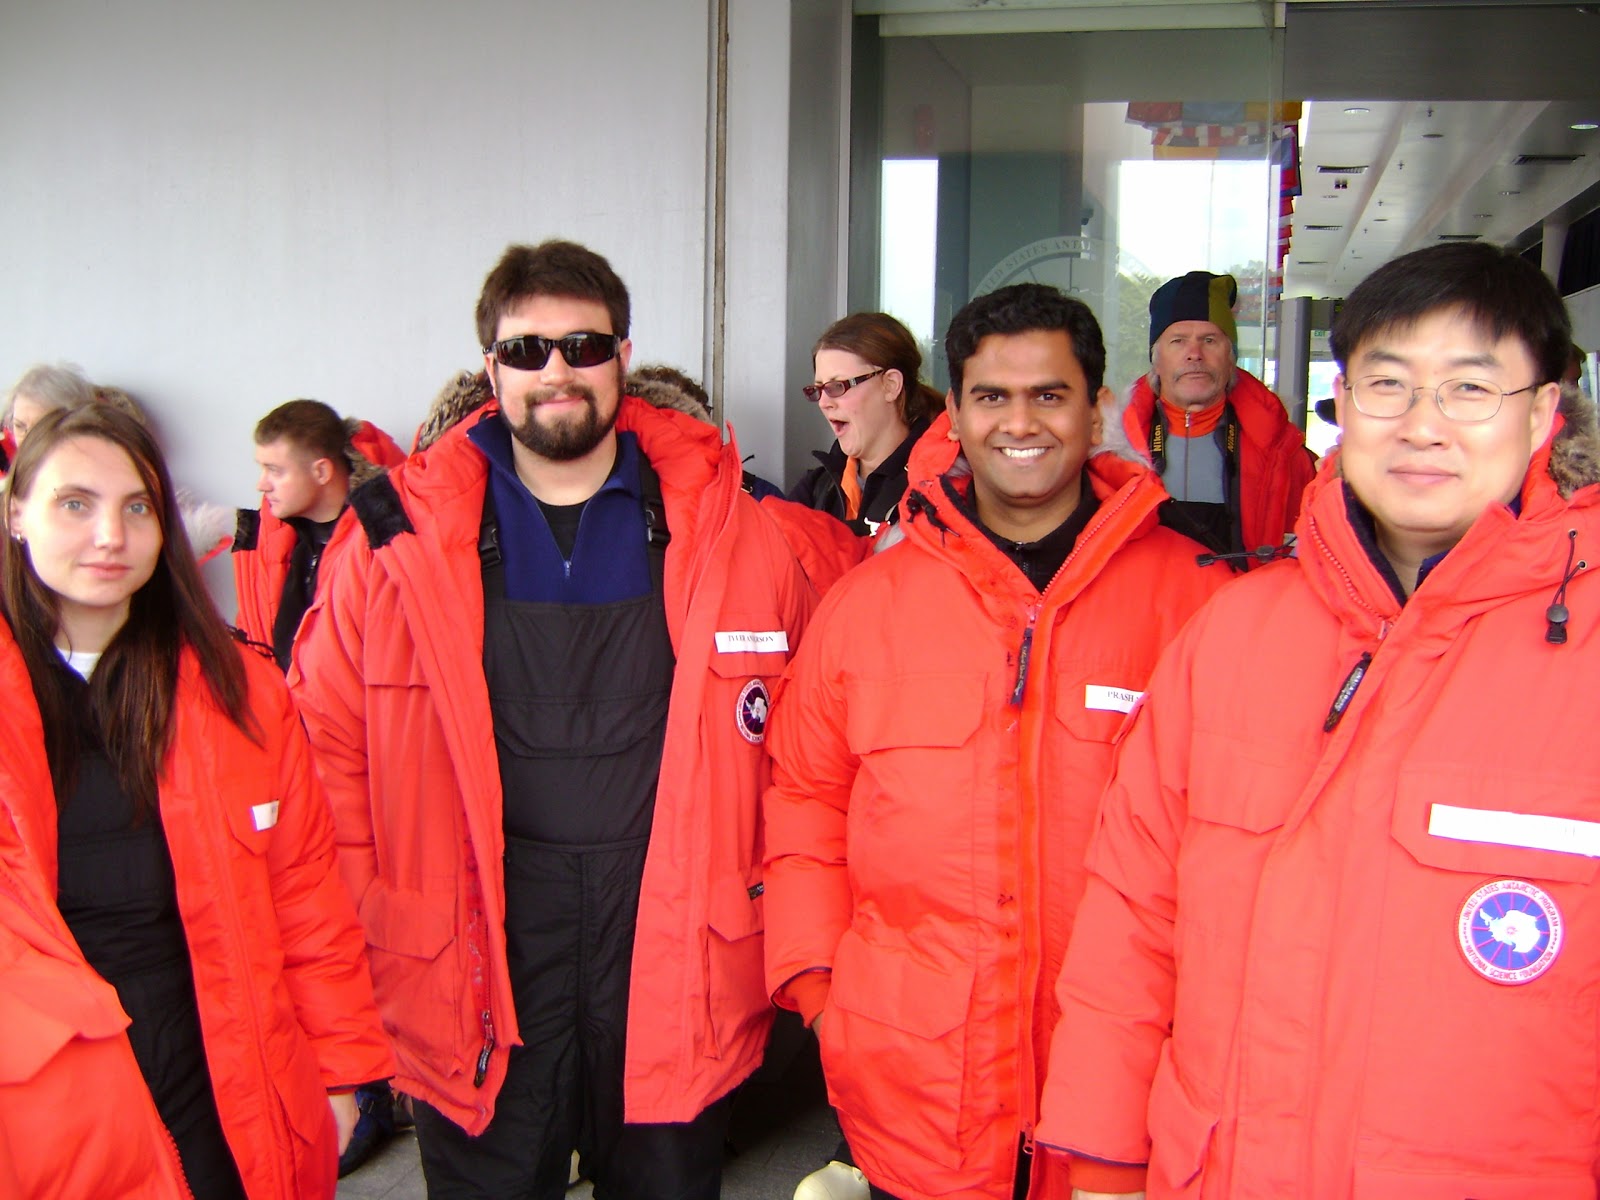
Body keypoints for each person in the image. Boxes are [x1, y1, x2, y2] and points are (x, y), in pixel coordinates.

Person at [1036, 241, 1599, 1198]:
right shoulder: (1234, 633)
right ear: (1343, 401)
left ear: (1543, 411)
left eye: (1470, 389)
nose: (1422, 426)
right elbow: (1133, 916)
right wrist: (1099, 1162)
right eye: (1388, 385)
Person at [290, 239, 838, 1199]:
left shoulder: (735, 530)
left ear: (623, 355)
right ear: (489, 367)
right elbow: (328, 766)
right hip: (473, 959)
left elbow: (811, 752)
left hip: (674, 953)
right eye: (526, 350)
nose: (557, 371)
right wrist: (366, 941)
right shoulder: (391, 547)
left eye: (583, 346)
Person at [763, 283, 1225, 1200]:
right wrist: (821, 989)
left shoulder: (1202, 602)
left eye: (1049, 394)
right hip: (914, 1095)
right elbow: (805, 801)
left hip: (1122, 1115)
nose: (1020, 422)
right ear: (956, 415)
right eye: (992, 396)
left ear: (1096, 409)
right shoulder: (867, 605)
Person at [0, 404, 392, 1198]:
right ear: (16, 515)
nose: (110, 535)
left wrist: (342, 1070)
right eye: (75, 503)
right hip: (50, 1125)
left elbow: (305, 898)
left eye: (136, 508)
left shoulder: (238, 693)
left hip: (226, 1092)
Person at [1112, 271, 1316, 564]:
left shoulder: (1284, 455)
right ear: (1156, 360)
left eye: (1209, 340)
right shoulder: (1111, 449)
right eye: (1178, 341)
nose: (1194, 354)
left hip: (1244, 594)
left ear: (1231, 358)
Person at [232, 399, 404, 670]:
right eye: (262, 468)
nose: (261, 484)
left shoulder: (386, 548)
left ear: (321, 471)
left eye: (275, 471)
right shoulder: (272, 548)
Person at [790, 312, 942, 534]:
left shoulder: (939, 489)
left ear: (891, 385)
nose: (823, 403)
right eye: (818, 389)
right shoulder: (817, 488)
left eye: (837, 386)